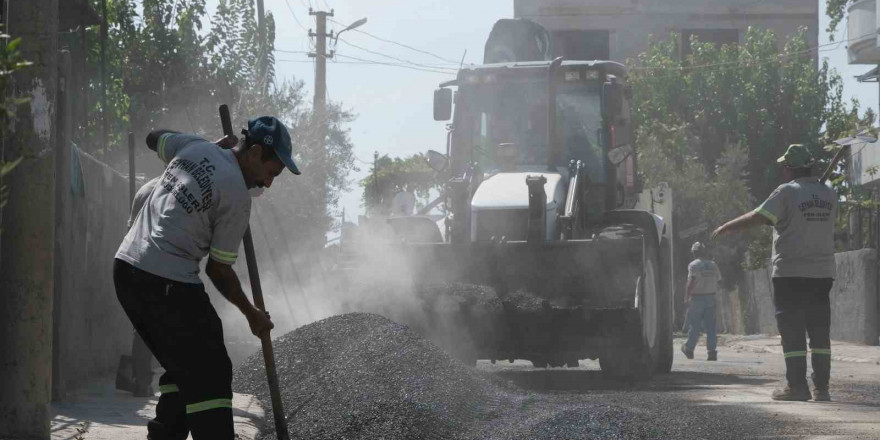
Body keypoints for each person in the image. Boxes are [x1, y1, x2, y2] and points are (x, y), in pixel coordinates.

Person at [113, 116, 301, 439]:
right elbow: (218, 270)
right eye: (271, 173)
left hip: (127, 270)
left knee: (185, 366)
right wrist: (251, 314)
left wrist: (204, 145)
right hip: (165, 281)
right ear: (255, 154)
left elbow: (152, 136)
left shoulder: (195, 146)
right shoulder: (238, 197)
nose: (268, 184)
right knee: (212, 369)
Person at [712, 144, 836, 402]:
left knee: (792, 331)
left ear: (789, 169)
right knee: (819, 331)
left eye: (784, 167)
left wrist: (727, 226)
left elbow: (760, 216)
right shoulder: (829, 194)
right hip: (822, 274)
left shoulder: (787, 192)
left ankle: (797, 388)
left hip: (790, 273)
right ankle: (822, 389)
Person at [680, 241, 721, 361]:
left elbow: (691, 282)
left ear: (694, 253)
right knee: (711, 326)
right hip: (711, 297)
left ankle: (689, 349)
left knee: (695, 325)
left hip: (697, 298)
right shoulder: (714, 265)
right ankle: (712, 352)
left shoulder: (693, 265)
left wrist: (686, 296)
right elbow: (718, 280)